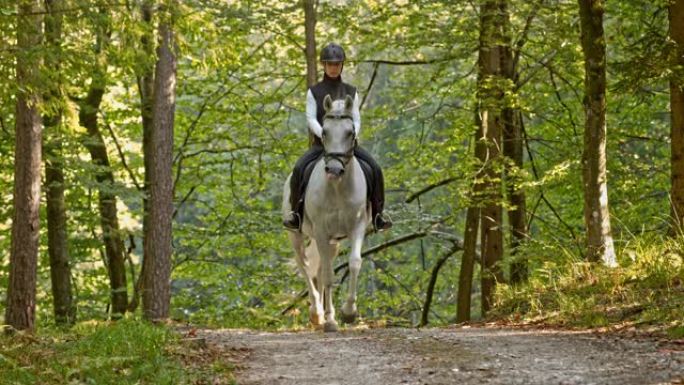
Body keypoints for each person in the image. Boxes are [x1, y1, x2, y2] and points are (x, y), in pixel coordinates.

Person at [283, 42, 392, 232]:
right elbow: (310, 118)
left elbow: (356, 119)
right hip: (322, 146)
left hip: (347, 146)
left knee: (375, 168)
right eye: (330, 64)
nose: (333, 68)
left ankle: (377, 215)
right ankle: (296, 214)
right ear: (324, 66)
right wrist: (325, 136)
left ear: (341, 65)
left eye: (337, 64)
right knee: (299, 168)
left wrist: (350, 136)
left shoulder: (351, 91)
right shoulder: (314, 92)